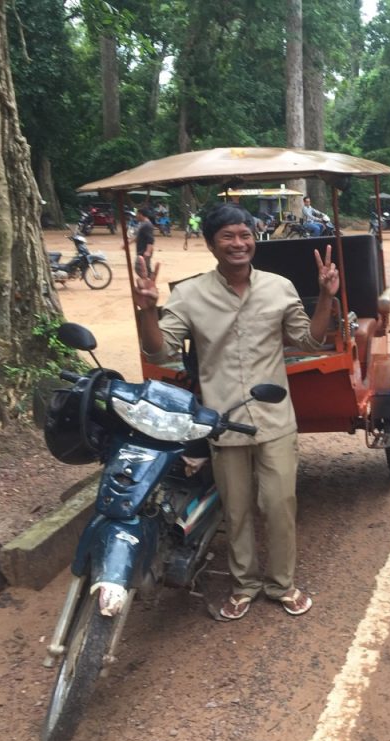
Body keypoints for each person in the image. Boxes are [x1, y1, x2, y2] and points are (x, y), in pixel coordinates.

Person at [133, 203, 339, 620]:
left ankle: (282, 584)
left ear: (254, 240)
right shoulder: (189, 294)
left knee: (280, 503)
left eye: (245, 235)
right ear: (212, 244)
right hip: (223, 422)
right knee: (236, 510)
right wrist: (146, 309)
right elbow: (159, 349)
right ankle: (245, 585)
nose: (238, 243)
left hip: (275, 419)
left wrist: (327, 299)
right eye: (227, 236)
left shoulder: (279, 287)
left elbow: (312, 341)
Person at [134, 207, 155, 278]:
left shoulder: (147, 225)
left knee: (143, 270)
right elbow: (138, 237)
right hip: (141, 251)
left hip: (144, 252)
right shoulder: (143, 224)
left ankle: (151, 284)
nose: (136, 216)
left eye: (137, 214)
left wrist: (148, 251)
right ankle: (150, 283)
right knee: (143, 270)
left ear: (140, 214)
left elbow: (150, 239)